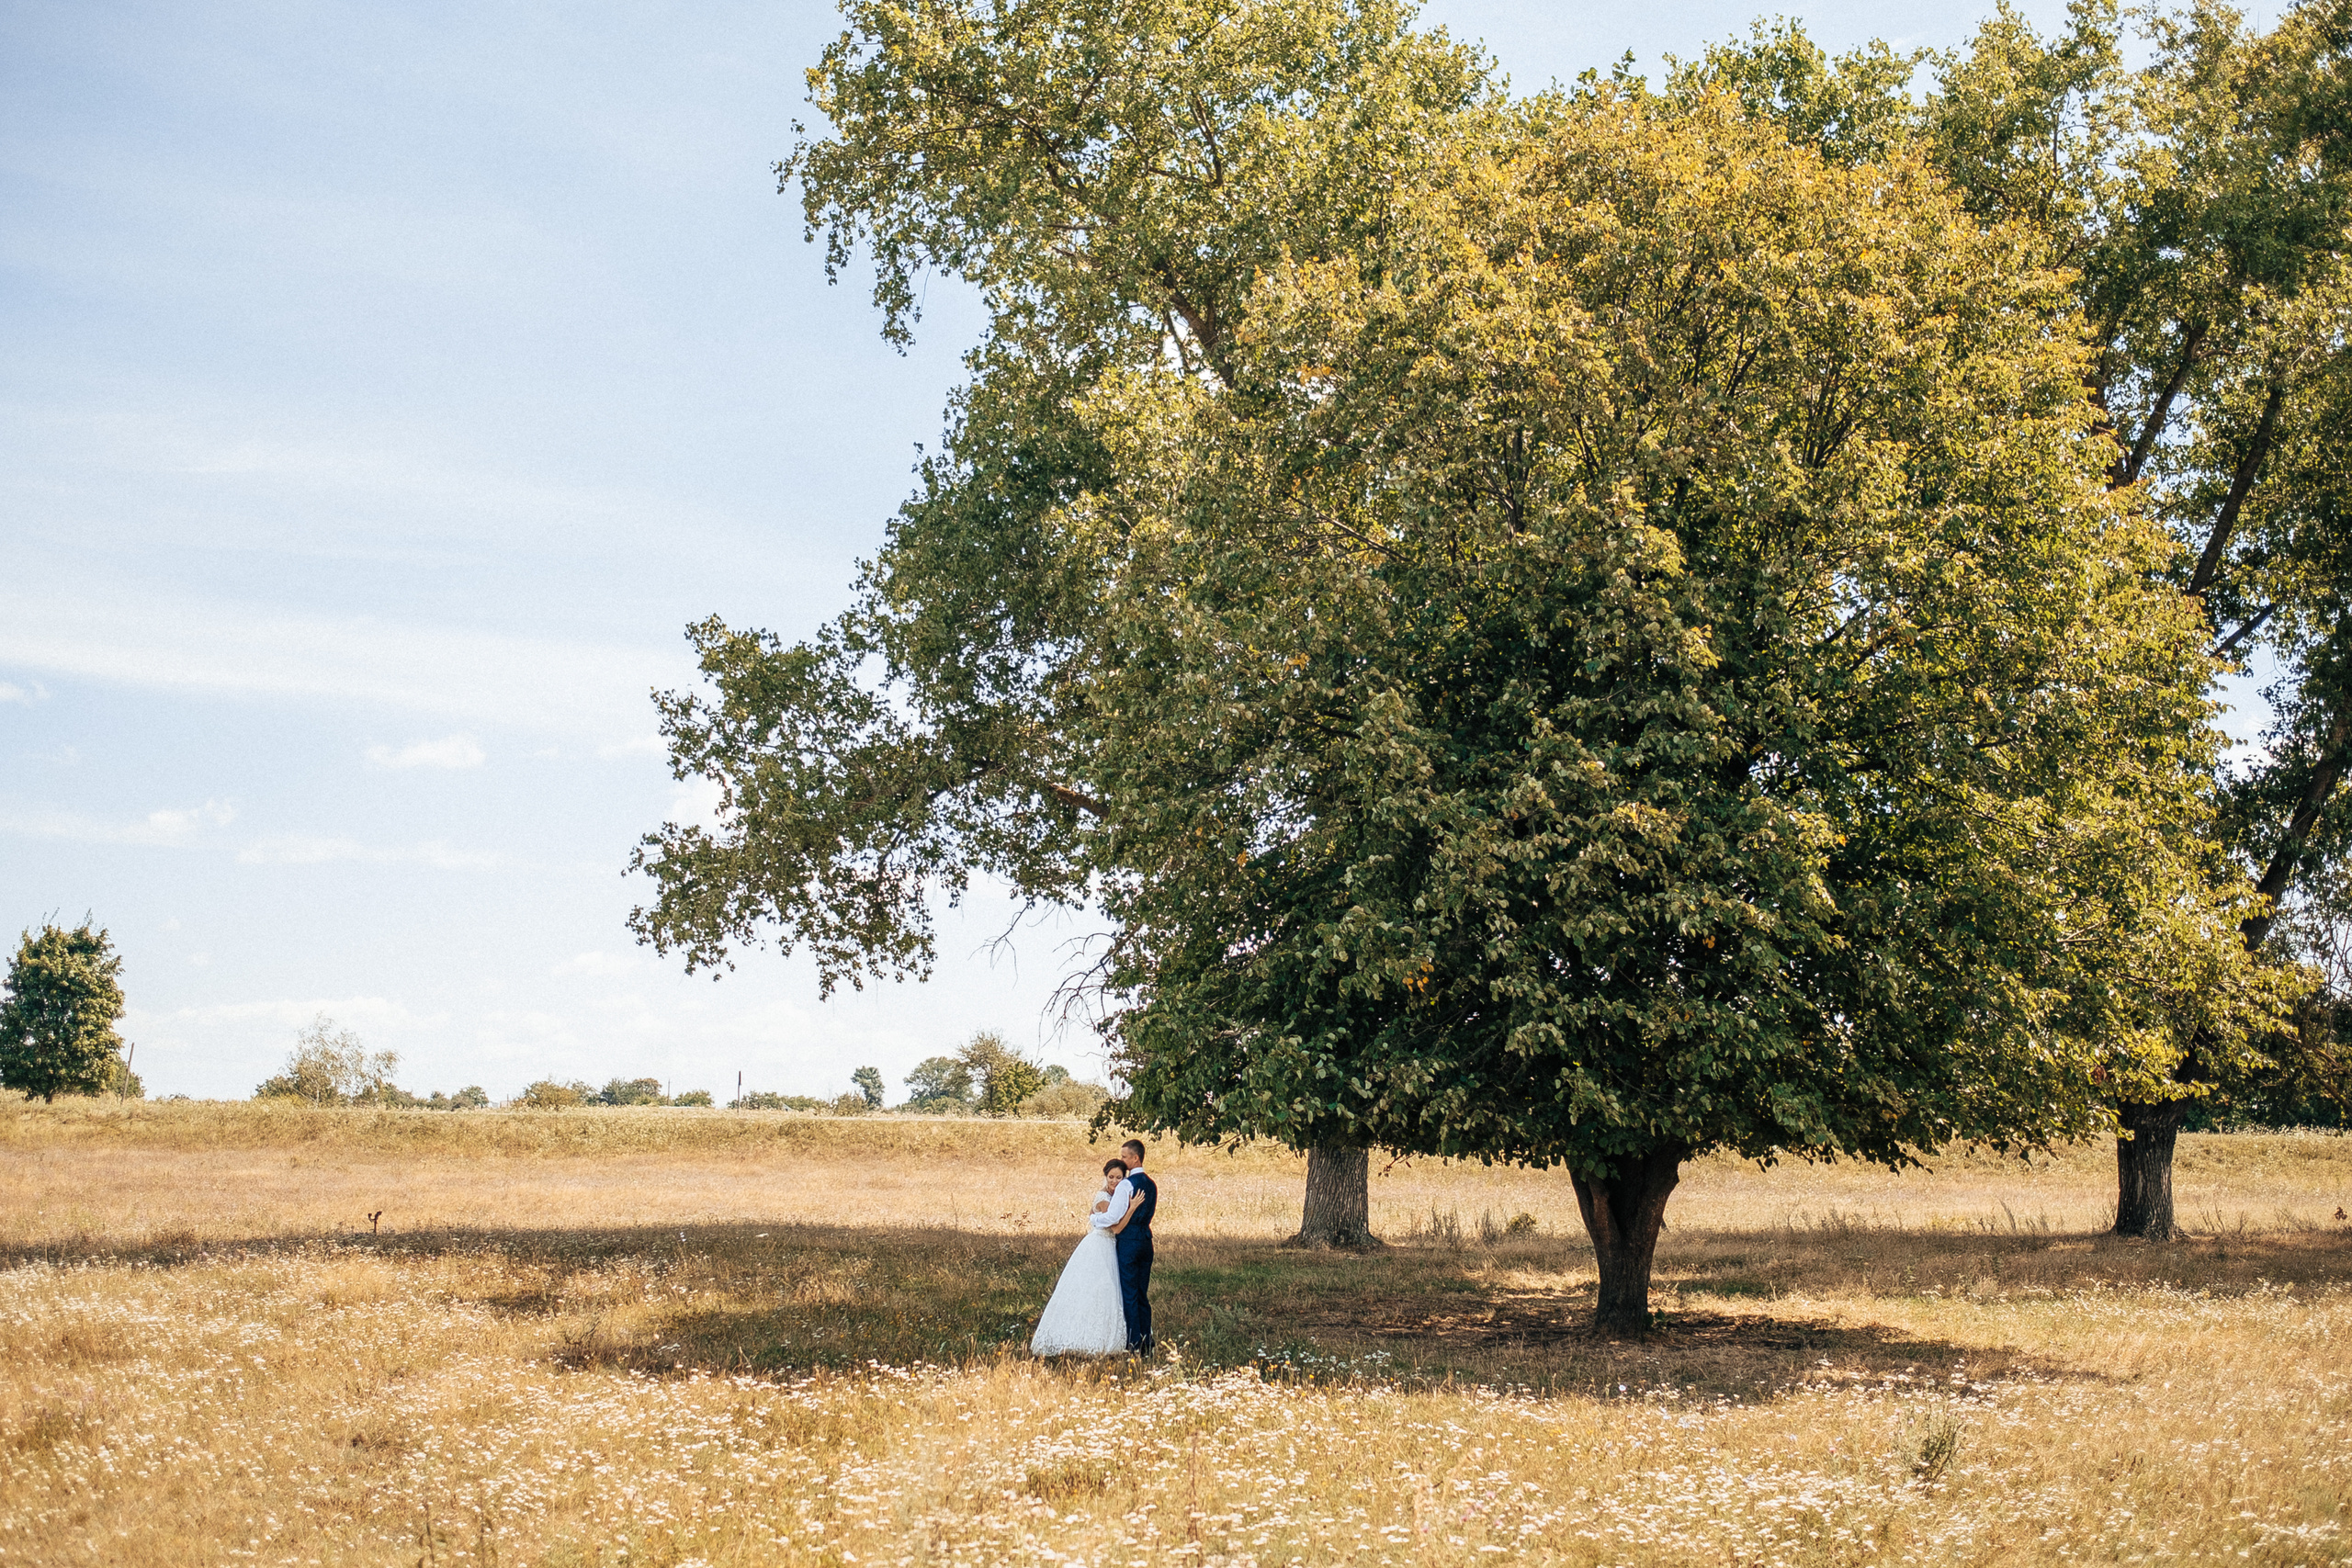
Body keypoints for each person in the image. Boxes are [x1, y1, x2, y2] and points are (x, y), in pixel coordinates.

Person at [1029, 1157, 1131, 1356]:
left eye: (1119, 1177)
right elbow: (1116, 1226)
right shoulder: (1103, 1198)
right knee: (1093, 1287)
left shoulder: (1118, 1195)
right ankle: (1079, 1337)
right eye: (1111, 1177)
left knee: (1106, 1290)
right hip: (1099, 1245)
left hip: (1109, 1247)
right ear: (1105, 1176)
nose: (1114, 1181)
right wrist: (1133, 1208)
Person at [1103, 1138, 1157, 1353]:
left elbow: (1113, 1217)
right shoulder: (1151, 1183)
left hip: (1129, 1242)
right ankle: (1147, 1341)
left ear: (1135, 1158)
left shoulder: (1126, 1184)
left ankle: (1134, 1342)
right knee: (1142, 1294)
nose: (1122, 1160)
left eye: (1125, 1157)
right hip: (1146, 1240)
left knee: (1130, 1294)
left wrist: (1095, 1220)